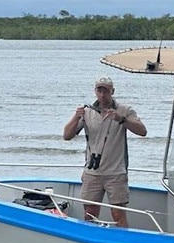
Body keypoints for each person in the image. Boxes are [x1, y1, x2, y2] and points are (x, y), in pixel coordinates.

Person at [63, 76, 147, 227]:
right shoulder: (87, 111)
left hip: (116, 172)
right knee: (89, 212)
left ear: (112, 91)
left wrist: (121, 120)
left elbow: (142, 131)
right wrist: (76, 117)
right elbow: (67, 136)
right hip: (92, 172)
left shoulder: (125, 110)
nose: (102, 95)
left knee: (118, 213)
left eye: (106, 91)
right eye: (99, 90)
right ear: (95, 91)